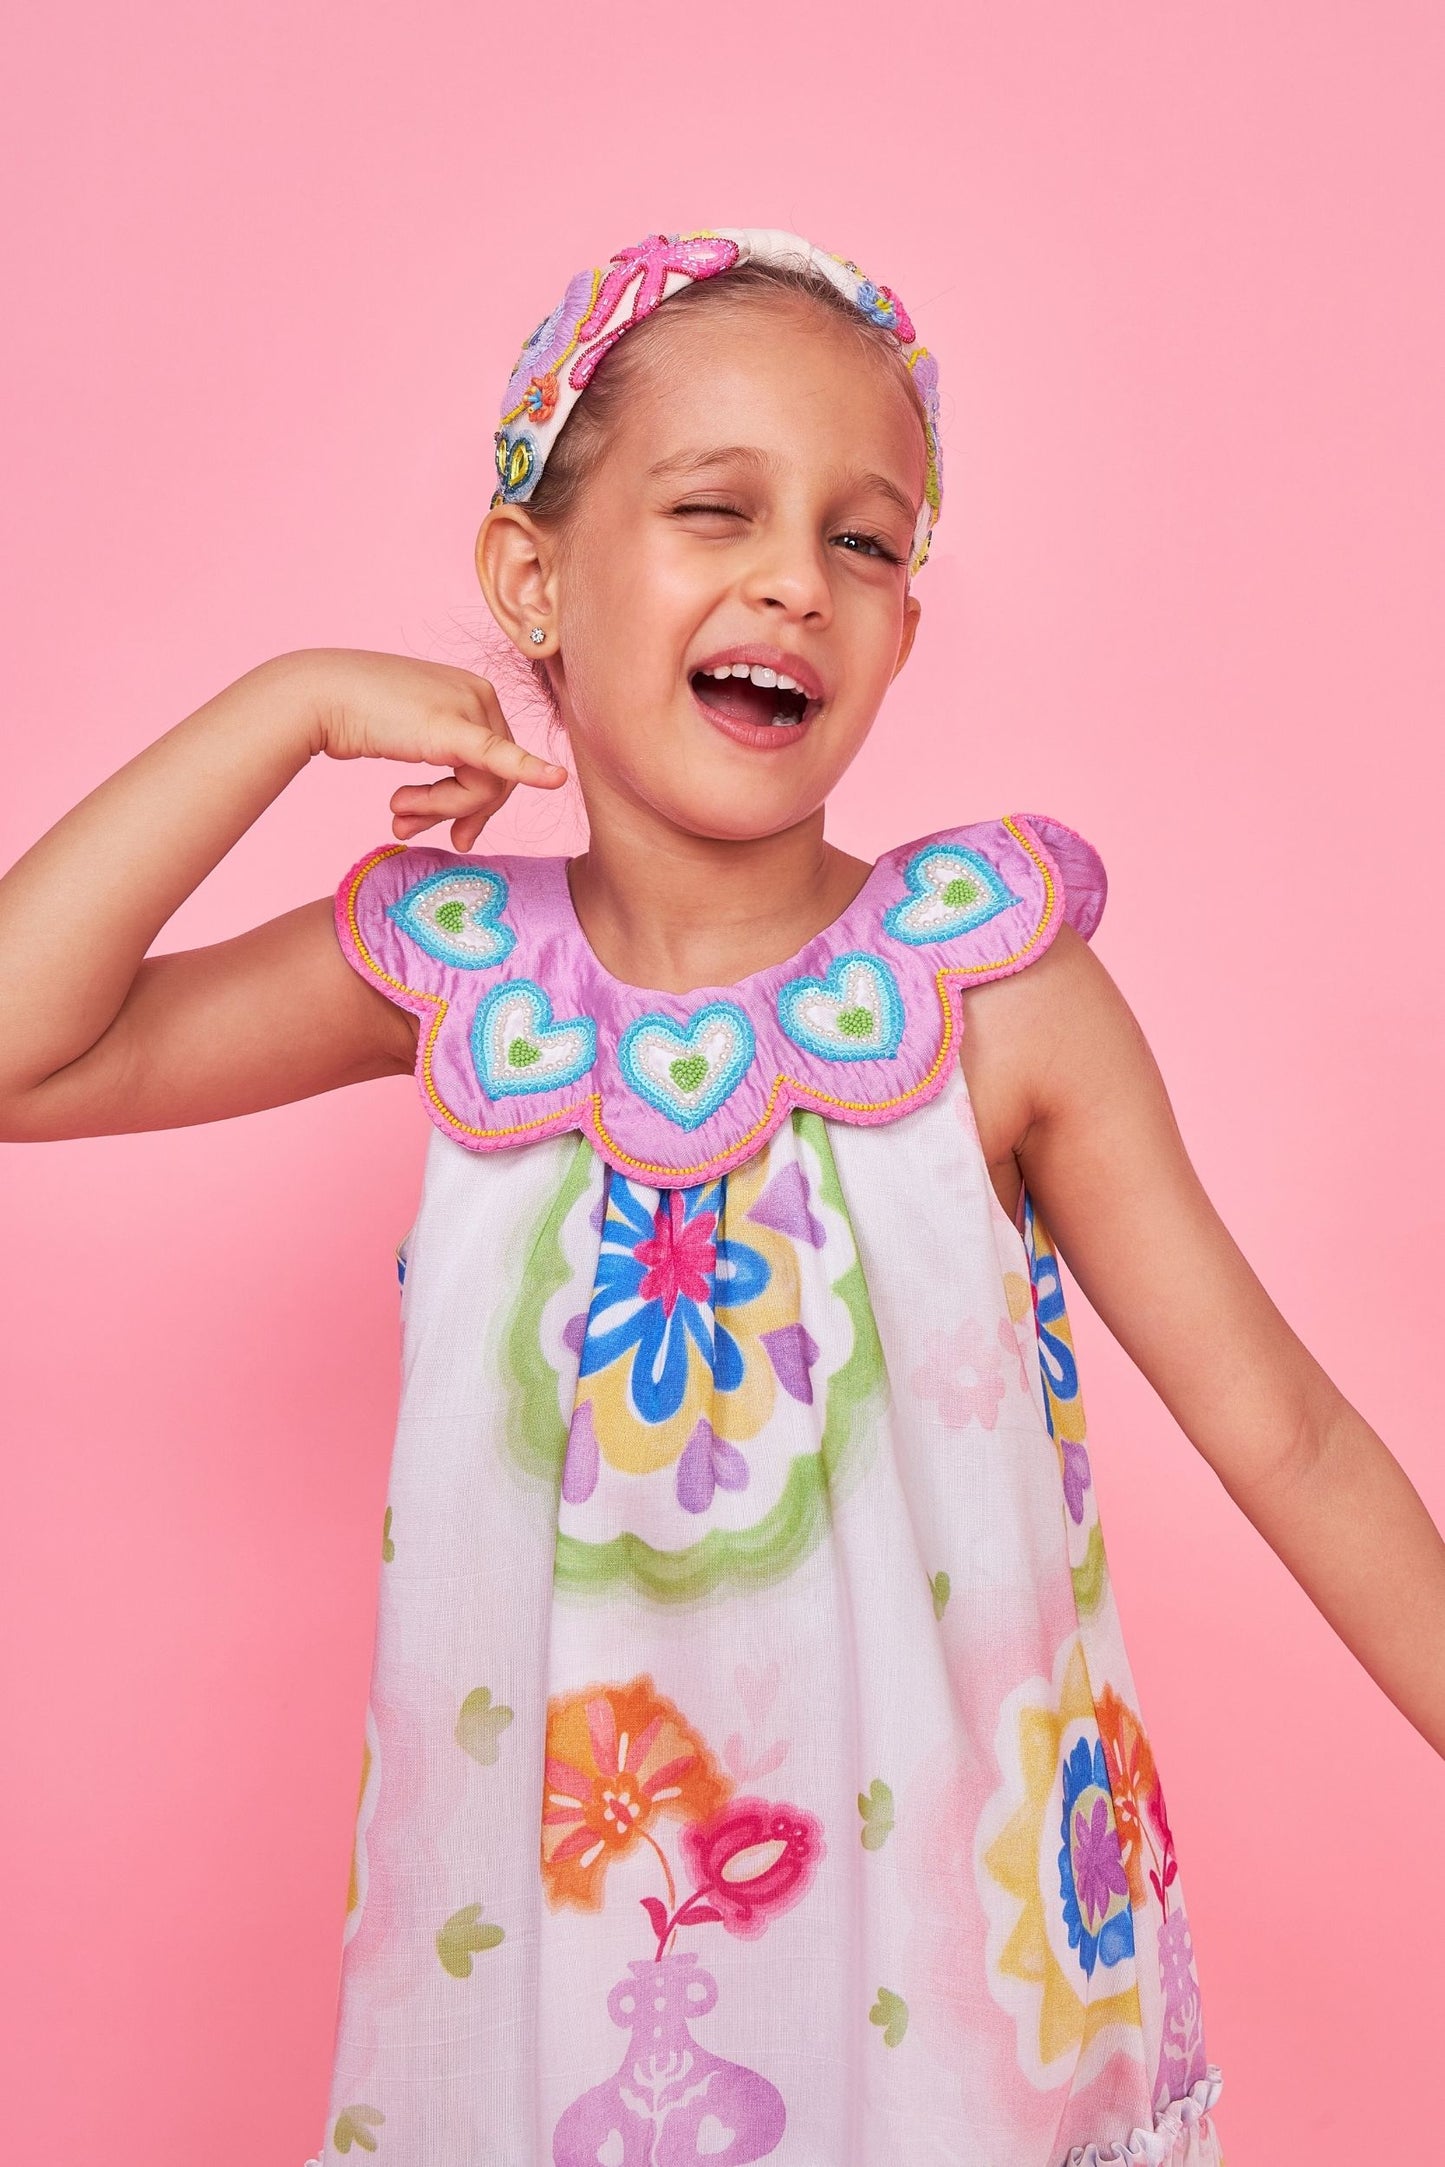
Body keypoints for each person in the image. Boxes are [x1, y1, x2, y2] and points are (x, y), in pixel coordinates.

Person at [2, 225, 1441, 2167]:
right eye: (715, 509)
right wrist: (284, 707)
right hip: (545, 1976)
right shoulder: (460, 985)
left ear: (904, 632)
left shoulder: (989, 993)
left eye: (866, 541)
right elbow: (22, 1048)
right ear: (534, 579)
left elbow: (1291, 1433)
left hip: (945, 1983)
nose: (796, 579)